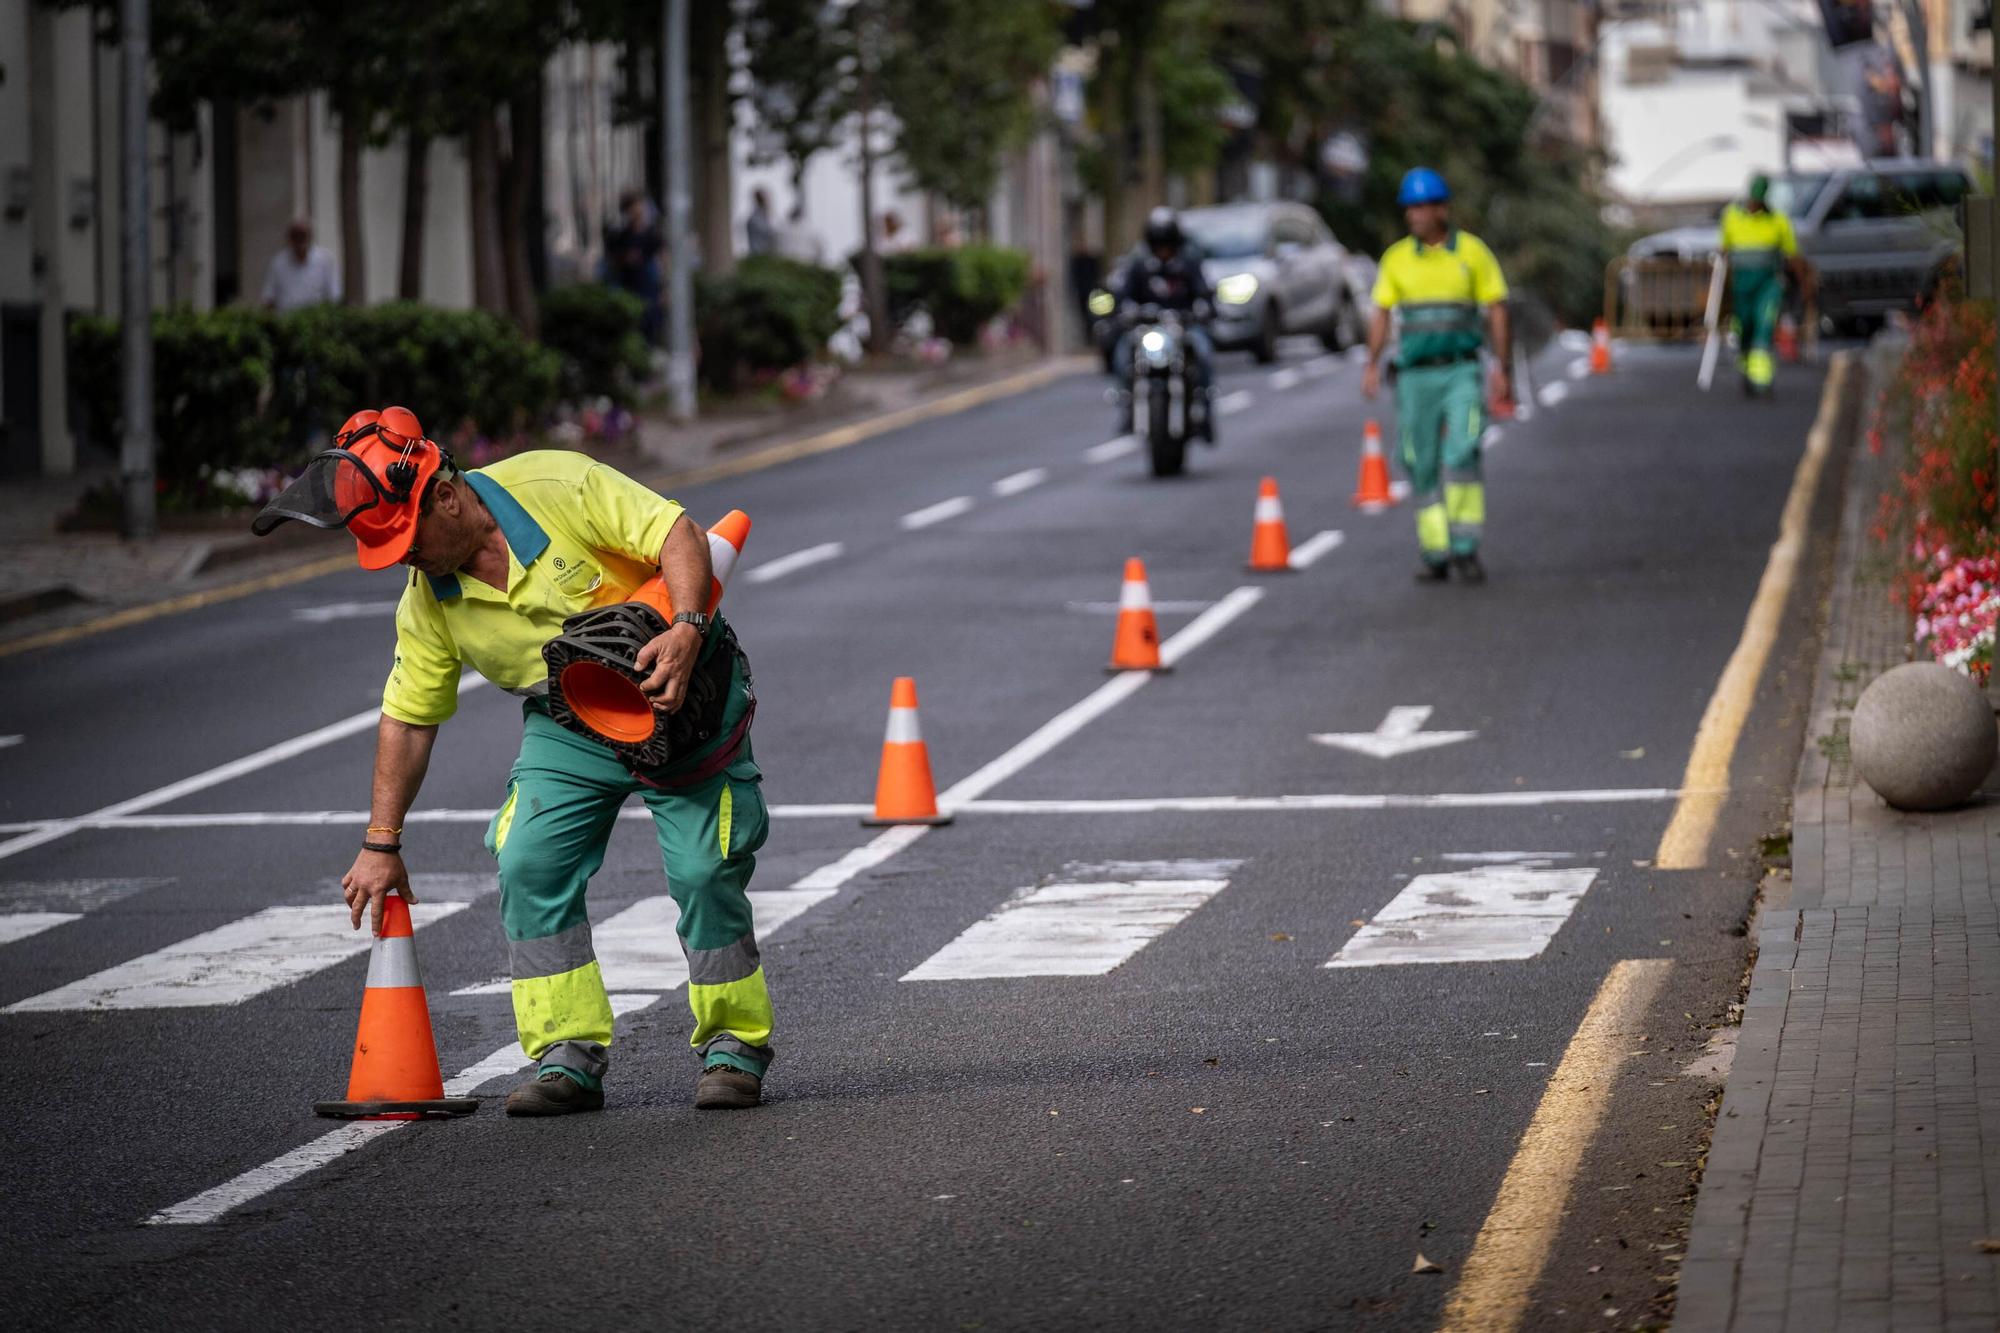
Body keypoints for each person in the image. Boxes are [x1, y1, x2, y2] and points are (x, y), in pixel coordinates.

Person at [251, 407, 773, 1116]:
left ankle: (733, 1047)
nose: (407, 558)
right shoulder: (429, 599)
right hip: (568, 721)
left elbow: (677, 534)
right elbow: (408, 716)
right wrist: (380, 841)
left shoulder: (556, 482)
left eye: (409, 538)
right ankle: (567, 1055)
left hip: (680, 695)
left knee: (705, 867)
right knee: (529, 860)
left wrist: (685, 625)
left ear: (445, 494)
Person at [1362, 167, 1511, 584]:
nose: (1414, 216)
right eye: (1409, 208)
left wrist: (1501, 367)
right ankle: (1435, 551)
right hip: (1414, 378)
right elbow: (1381, 313)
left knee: (1463, 452)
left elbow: (1497, 308)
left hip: (1461, 370)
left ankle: (1466, 547)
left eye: (1422, 207)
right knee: (1418, 462)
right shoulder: (1397, 259)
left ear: (1442, 208)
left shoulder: (1473, 254)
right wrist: (1371, 364)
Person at [1111, 206, 1217, 440]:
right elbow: (1123, 294)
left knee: (1203, 353)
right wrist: (1125, 310)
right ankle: (1127, 406)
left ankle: (1206, 412)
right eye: (1159, 245)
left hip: (1183, 327)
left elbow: (1204, 291)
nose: (1163, 251)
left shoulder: (1189, 262)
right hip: (1148, 329)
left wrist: (1203, 308)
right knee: (1122, 355)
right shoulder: (1138, 264)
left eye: (1168, 244)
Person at [1719, 175, 1814, 397]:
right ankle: (1747, 370)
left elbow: (1792, 256)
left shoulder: (1778, 221)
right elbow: (1723, 250)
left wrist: (1804, 284)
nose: (1754, 204)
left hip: (1768, 284)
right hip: (1742, 286)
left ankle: (1761, 379)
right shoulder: (1732, 217)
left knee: (1764, 326)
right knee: (1745, 327)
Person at [604, 189, 664, 343]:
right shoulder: (620, 236)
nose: (637, 211)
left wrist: (665, 288)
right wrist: (624, 259)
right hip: (628, 289)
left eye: (640, 206)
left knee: (650, 330)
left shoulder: (652, 236)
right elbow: (612, 261)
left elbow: (662, 261)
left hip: (649, 290)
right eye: (633, 207)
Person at [260, 218, 342, 312]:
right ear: (289, 238)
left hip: (318, 321)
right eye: (295, 236)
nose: (299, 240)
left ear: (310, 236)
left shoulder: (326, 260)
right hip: (286, 322)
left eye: (302, 235)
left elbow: (334, 297)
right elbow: (269, 298)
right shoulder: (278, 263)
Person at [745, 187, 778, 257]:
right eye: (768, 198)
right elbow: (769, 233)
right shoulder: (756, 218)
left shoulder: (764, 216)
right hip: (759, 256)